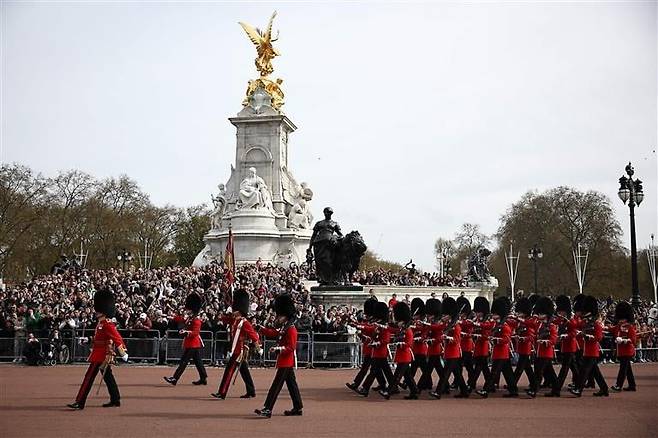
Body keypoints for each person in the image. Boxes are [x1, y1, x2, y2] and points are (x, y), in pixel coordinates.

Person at [67, 288, 128, 410]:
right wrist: (88, 340)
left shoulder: (107, 324)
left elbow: (117, 338)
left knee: (88, 377)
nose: (96, 312)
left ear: (103, 311)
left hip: (100, 355)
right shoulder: (101, 323)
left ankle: (80, 401)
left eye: (98, 310)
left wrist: (123, 352)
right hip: (99, 353)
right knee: (108, 377)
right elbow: (99, 339)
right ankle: (115, 399)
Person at [255, 294, 303, 418]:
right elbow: (273, 332)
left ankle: (268, 408)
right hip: (285, 361)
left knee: (275, 386)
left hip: (286, 361)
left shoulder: (291, 329)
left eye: (280, 315)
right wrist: (260, 329)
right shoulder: (285, 327)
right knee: (292, 385)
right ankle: (297, 407)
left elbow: (291, 347)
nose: (278, 318)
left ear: (285, 316)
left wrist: (277, 349)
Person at [212, 289, 261, 399]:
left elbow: (253, 335)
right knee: (244, 371)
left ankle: (222, 392)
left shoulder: (245, 322)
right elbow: (227, 319)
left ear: (239, 310)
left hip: (239, 351)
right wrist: (220, 316)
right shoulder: (235, 320)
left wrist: (258, 347)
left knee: (229, 371)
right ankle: (251, 390)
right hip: (236, 350)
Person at [477, 297, 518, 398]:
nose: (493, 316)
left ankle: (486, 390)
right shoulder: (496, 324)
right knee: (508, 373)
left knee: (493, 373)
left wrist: (495, 340)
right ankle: (513, 390)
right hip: (499, 353)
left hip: (502, 352)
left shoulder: (504, 326)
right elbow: (487, 327)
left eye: (495, 314)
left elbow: (507, 339)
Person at [164, 292, 208, 386]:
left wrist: (186, 332)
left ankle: (175, 378)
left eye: (189, 310)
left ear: (193, 311)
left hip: (193, 344)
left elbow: (195, 333)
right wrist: (173, 317)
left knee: (184, 361)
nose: (187, 311)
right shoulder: (190, 318)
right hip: (191, 343)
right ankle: (203, 377)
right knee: (198, 361)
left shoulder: (196, 320)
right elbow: (181, 319)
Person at [430, 297, 469, 399]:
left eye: (445, 315)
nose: (443, 317)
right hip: (449, 353)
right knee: (458, 375)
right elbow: (437, 328)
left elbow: (456, 340)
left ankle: (438, 392)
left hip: (454, 353)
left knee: (445, 374)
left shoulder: (456, 326)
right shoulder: (447, 325)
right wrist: (428, 325)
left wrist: (446, 337)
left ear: (450, 315)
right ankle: (464, 391)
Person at [570, 295, 609, 397]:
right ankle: (604, 389)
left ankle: (578, 389)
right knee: (595, 372)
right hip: (586, 350)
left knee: (584, 371)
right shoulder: (585, 322)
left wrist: (588, 336)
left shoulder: (596, 324)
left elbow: (599, 337)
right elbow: (575, 325)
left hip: (592, 351)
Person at [379, 302, 418, 399]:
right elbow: (391, 330)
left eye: (399, 321)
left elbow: (409, 343)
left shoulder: (408, 330)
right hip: (401, 355)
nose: (397, 322)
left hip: (405, 356)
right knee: (408, 377)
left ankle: (388, 392)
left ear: (403, 321)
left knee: (397, 376)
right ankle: (414, 391)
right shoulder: (401, 330)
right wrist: (383, 327)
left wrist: (401, 344)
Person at [346, 298, 386, 392]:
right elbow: (364, 326)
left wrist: (358, 326)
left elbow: (369, 328)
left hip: (373, 348)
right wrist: (354, 323)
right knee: (376, 369)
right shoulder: (370, 320)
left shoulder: (375, 322)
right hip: (369, 347)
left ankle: (359, 384)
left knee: (371, 369)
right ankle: (383, 384)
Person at [357, 302, 395, 397]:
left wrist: (377, 343)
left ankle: (365, 388)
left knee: (374, 371)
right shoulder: (378, 325)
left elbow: (386, 340)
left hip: (381, 352)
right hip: (377, 351)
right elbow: (370, 330)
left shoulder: (385, 326)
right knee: (386, 371)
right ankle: (393, 387)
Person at [547, 295, 579, 397]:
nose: (559, 313)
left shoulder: (571, 319)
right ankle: (580, 384)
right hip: (565, 346)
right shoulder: (561, 319)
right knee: (574, 368)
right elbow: (553, 322)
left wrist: (566, 336)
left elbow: (574, 332)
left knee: (564, 369)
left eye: (561, 311)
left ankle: (556, 389)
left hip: (570, 346)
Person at [608, 301, 637, 392]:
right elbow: (611, 329)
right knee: (627, 369)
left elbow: (633, 340)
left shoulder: (630, 327)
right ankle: (632, 385)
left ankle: (618, 385)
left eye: (622, 319)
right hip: (621, 351)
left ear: (626, 318)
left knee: (623, 369)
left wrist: (623, 340)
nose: (621, 320)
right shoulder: (618, 326)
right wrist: (603, 328)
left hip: (627, 351)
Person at [511, 297, 537, 396]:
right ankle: (534, 386)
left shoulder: (530, 320)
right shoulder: (522, 321)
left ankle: (512, 385)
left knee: (520, 368)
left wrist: (518, 319)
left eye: (521, 312)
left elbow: (530, 335)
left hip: (526, 347)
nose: (519, 313)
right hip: (521, 347)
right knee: (527, 369)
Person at [532, 297, 558, 398]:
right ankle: (556, 389)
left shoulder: (551, 326)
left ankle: (533, 390)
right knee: (550, 372)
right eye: (539, 313)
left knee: (538, 372)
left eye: (541, 314)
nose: (539, 315)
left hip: (546, 352)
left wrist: (544, 341)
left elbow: (553, 340)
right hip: (539, 352)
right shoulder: (539, 325)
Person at [468, 297, 495, 391]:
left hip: (484, 346)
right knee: (484, 368)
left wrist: (477, 326)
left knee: (478, 368)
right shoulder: (478, 320)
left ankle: (470, 385)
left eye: (478, 311)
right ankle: (490, 385)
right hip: (478, 347)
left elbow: (487, 331)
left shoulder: (487, 320)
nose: (477, 313)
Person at [417, 298, 443, 392]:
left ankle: (419, 387)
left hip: (436, 348)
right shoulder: (431, 322)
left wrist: (431, 340)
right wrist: (424, 337)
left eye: (430, 314)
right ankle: (445, 386)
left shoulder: (438, 323)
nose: (428, 316)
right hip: (431, 349)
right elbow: (427, 332)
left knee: (428, 369)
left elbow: (439, 335)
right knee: (439, 369)